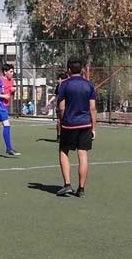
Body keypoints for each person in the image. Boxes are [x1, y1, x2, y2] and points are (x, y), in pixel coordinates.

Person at [56, 57, 96, 198]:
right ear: (82, 70)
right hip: (85, 124)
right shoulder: (89, 85)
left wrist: (61, 122)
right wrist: (93, 128)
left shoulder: (65, 85)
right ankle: (81, 189)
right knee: (83, 155)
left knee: (64, 151)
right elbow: (92, 108)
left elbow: (61, 108)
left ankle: (67, 184)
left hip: (69, 124)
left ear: (68, 70)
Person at [46, 72, 69, 141]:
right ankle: (59, 136)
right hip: (59, 106)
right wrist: (49, 101)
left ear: (61, 79)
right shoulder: (58, 86)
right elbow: (55, 95)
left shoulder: (68, 86)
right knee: (59, 121)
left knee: (66, 122)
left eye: (58, 79)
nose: (58, 81)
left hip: (68, 107)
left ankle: (67, 137)